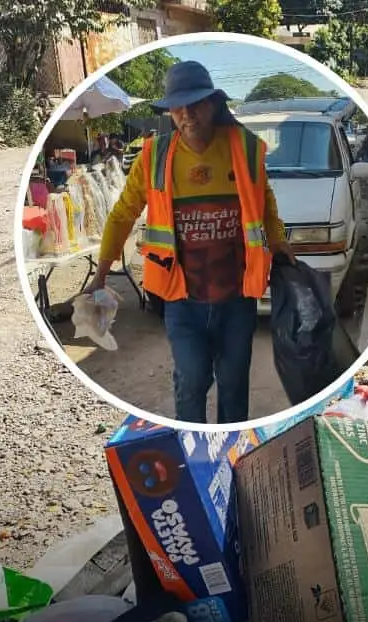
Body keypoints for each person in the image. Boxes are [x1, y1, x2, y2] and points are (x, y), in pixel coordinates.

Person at [85, 60, 296, 425]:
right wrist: (101, 274)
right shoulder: (154, 156)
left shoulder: (244, 148)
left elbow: (266, 203)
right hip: (181, 299)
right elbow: (122, 215)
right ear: (170, 111)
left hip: (237, 298)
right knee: (192, 381)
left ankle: (231, 450)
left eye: (196, 103)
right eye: (178, 107)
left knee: (233, 386)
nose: (187, 114)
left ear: (213, 104)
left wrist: (278, 242)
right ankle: (192, 446)